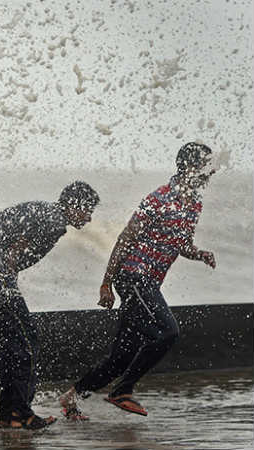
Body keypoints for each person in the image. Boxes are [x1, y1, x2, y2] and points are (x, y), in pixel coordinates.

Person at [59, 142, 217, 419]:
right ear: (190, 168)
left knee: (121, 356)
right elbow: (125, 238)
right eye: (206, 167)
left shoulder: (194, 204)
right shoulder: (158, 198)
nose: (210, 173)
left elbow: (180, 242)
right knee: (168, 332)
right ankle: (123, 391)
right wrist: (106, 283)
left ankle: (71, 398)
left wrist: (199, 253)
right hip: (133, 276)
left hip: (148, 283)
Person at [0, 181, 99, 430]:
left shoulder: (45, 211)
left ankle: (8, 414)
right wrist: (8, 283)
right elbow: (15, 250)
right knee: (27, 344)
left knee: (10, 347)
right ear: (74, 205)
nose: (89, 218)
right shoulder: (55, 221)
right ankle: (21, 413)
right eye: (88, 210)